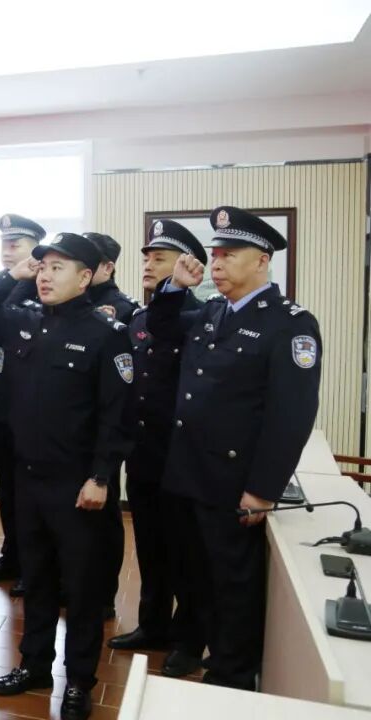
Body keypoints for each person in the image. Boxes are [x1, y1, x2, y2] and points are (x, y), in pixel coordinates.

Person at [147, 206, 322, 690]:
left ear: (262, 260)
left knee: (233, 584)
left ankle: (232, 675)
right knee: (196, 574)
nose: (217, 263)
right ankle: (202, 650)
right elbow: (162, 327)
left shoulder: (289, 325)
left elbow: (291, 416)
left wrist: (263, 489)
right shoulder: (212, 311)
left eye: (229, 254)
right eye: (215, 254)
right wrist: (175, 287)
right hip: (188, 473)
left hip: (233, 481)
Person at [0, 233, 133, 720]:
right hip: (27, 478)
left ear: (86, 277)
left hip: (78, 484)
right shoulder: (26, 322)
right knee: (37, 578)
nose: (44, 275)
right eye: (42, 266)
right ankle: (35, 665)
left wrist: (101, 477)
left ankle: (80, 680)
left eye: (57, 268)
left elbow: (117, 415)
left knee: (82, 589)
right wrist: (13, 273)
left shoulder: (106, 333)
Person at [108, 220, 209, 680]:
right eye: (147, 258)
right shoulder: (140, 318)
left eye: (160, 258)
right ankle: (153, 624)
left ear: (188, 266)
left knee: (186, 552)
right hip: (144, 451)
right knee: (149, 546)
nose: (148, 265)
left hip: (182, 455)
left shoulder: (203, 318)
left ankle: (189, 640)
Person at [0, 214, 45, 599]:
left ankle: (33, 565)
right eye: (4, 244)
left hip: (32, 413)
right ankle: (12, 555)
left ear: (35, 250)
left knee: (30, 496)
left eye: (15, 245)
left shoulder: (44, 287)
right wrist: (10, 278)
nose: (7, 252)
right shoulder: (1, 284)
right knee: (7, 490)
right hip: (1, 409)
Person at [83, 232, 140, 621]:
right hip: (66, 430)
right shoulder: (67, 305)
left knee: (102, 516)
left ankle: (102, 593)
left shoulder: (122, 310)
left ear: (107, 267)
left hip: (102, 429)